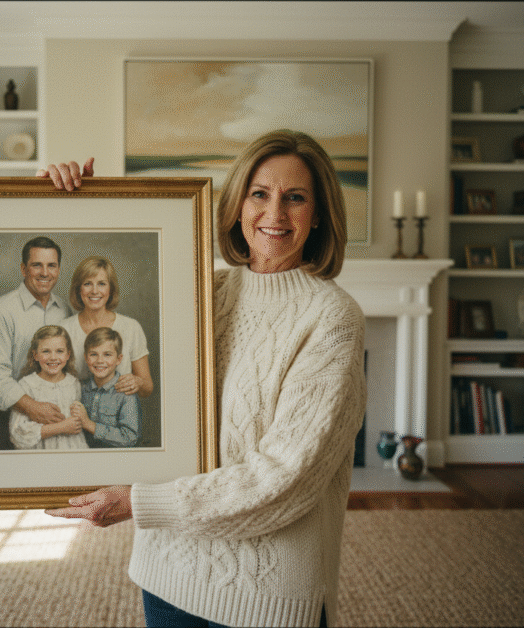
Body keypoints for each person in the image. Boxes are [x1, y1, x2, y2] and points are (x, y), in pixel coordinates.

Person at [41, 129, 366, 628]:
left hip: (263, 598)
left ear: (319, 214)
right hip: (167, 572)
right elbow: (80, 320)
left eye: (295, 198)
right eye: (260, 194)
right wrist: (67, 205)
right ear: (238, 205)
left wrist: (139, 501)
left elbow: (286, 481)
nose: (275, 214)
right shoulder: (201, 289)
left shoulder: (332, 317)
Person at [0, 236, 74, 450]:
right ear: (23, 269)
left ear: (58, 269)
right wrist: (31, 407)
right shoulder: (0, 312)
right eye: (36, 265)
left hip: (55, 417)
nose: (44, 272)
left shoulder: (65, 310)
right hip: (6, 417)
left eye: (52, 265)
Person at [61, 255, 154, 398]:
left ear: (111, 289)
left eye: (102, 284)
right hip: (74, 413)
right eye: (87, 284)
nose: (94, 291)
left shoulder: (131, 328)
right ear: (78, 289)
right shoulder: (63, 330)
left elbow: (147, 388)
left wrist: (138, 382)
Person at [8, 325, 88, 450]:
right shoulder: (27, 385)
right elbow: (17, 432)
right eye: (46, 351)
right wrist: (61, 427)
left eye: (59, 351)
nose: (53, 357)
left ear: (68, 354)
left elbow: (78, 421)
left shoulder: (74, 383)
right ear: (35, 355)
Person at [74, 327, 141, 448]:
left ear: (118, 359)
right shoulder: (80, 388)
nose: (100, 360)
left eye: (107, 354)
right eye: (93, 354)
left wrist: (89, 425)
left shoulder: (126, 392)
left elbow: (130, 438)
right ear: (86, 357)